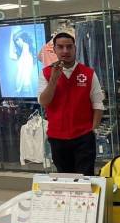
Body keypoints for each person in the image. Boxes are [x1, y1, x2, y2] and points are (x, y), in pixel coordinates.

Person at [38, 32, 105, 176]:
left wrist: (92, 130)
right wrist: (54, 80)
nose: (65, 51)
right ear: (54, 50)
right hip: (57, 138)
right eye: (60, 47)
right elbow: (44, 102)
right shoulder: (46, 73)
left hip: (83, 137)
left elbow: (98, 104)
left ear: (75, 48)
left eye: (69, 47)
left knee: (86, 178)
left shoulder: (88, 73)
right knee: (64, 178)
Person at [10, 29, 36, 95]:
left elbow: (23, 72)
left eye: (17, 40)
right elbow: (11, 56)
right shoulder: (26, 52)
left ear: (23, 38)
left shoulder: (26, 51)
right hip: (24, 86)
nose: (16, 43)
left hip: (24, 87)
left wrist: (18, 89)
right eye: (15, 41)